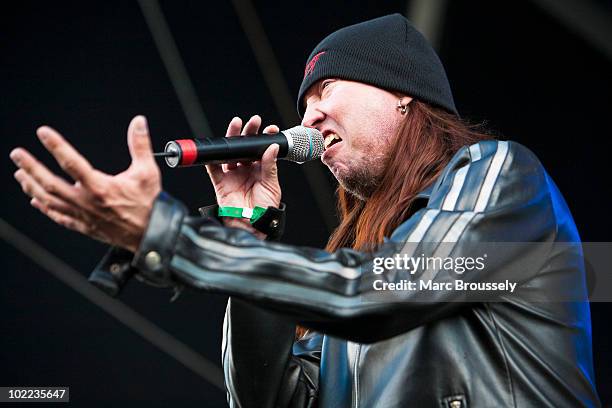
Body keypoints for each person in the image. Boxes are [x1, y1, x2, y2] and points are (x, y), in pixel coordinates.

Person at [10, 14, 600, 408]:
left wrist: (172, 235)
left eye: (327, 90)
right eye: (304, 103)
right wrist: (250, 230)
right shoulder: (357, 273)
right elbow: (270, 399)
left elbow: (378, 294)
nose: (309, 116)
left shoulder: (500, 176)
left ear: (402, 93)